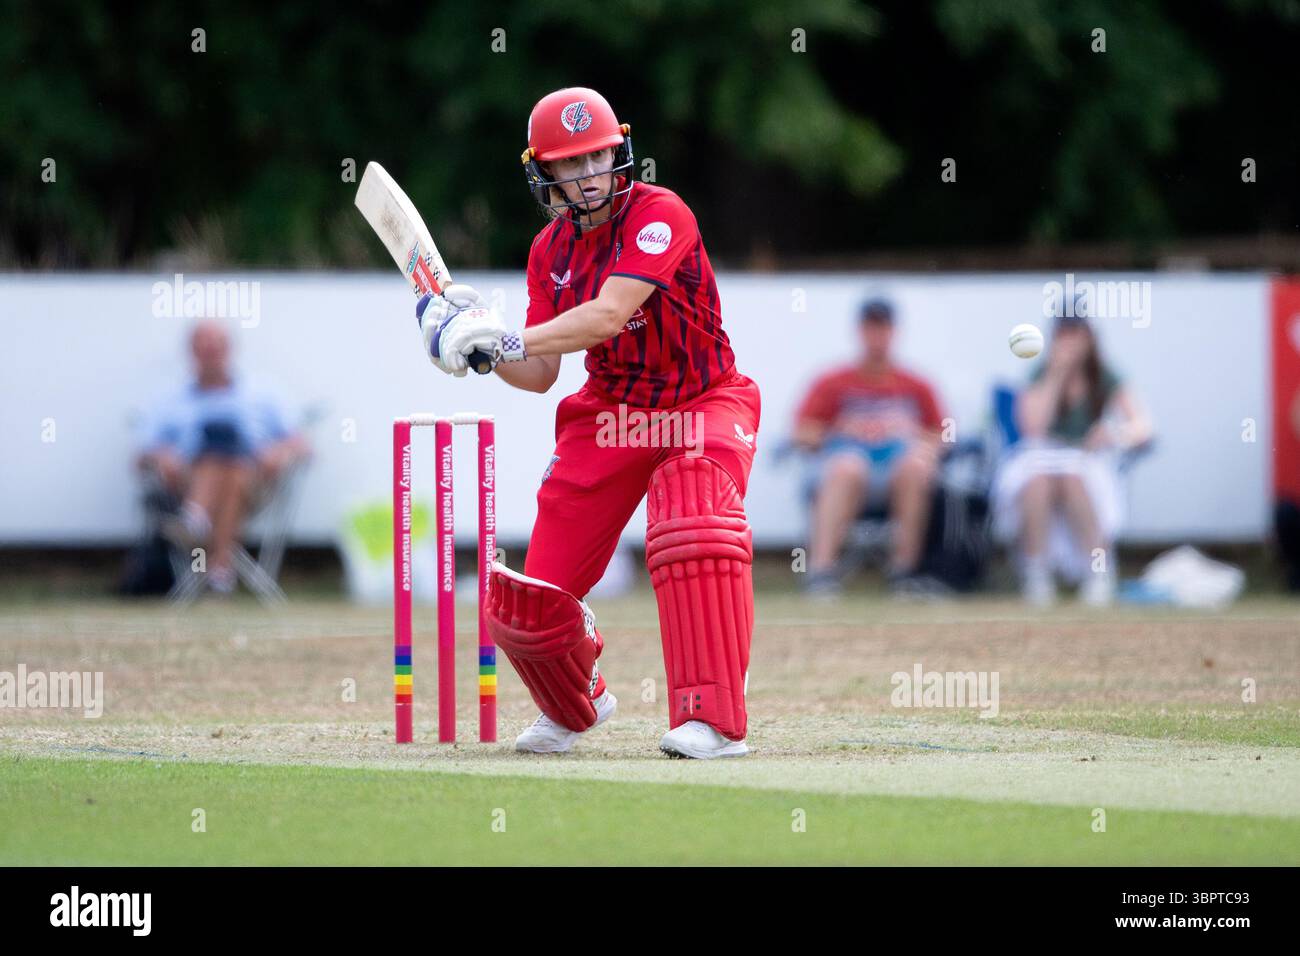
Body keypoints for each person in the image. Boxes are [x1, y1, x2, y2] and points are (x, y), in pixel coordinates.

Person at [413, 87, 760, 759]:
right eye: (571, 165)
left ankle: (710, 720)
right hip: (611, 416)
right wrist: (477, 347)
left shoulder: (661, 212)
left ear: (619, 153)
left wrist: (507, 336)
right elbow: (540, 372)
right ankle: (573, 703)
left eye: (597, 157)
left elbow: (605, 315)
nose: (589, 175)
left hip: (704, 401)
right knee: (531, 601)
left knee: (692, 519)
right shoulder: (549, 250)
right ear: (545, 174)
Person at [136, 320, 308, 596]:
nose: (210, 355)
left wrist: (279, 451)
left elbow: (302, 444)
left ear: (229, 349)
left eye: (216, 348)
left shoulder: (263, 394)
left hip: (255, 484)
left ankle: (195, 521)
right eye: (204, 349)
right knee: (225, 465)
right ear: (191, 353)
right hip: (186, 481)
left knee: (233, 464)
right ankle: (220, 569)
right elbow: (142, 454)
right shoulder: (169, 400)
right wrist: (162, 456)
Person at [993, 312, 1153, 606]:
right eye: (1063, 334)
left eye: (1076, 334)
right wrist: (1056, 375)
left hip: (1085, 461)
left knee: (1073, 480)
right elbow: (1032, 428)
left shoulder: (1105, 376)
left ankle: (1098, 573)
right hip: (1039, 459)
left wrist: (1114, 434)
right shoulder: (1039, 374)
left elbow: (1142, 426)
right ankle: (1036, 574)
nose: (1070, 342)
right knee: (1037, 483)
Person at [792, 298, 946, 596]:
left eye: (883, 328)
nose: (877, 336)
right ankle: (821, 572)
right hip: (843, 468)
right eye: (871, 328)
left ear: (894, 332)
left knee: (915, 466)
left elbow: (942, 436)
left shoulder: (916, 385)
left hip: (897, 470)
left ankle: (905, 572)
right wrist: (841, 428)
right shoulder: (832, 381)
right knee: (849, 466)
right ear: (860, 331)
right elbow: (801, 433)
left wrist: (909, 430)